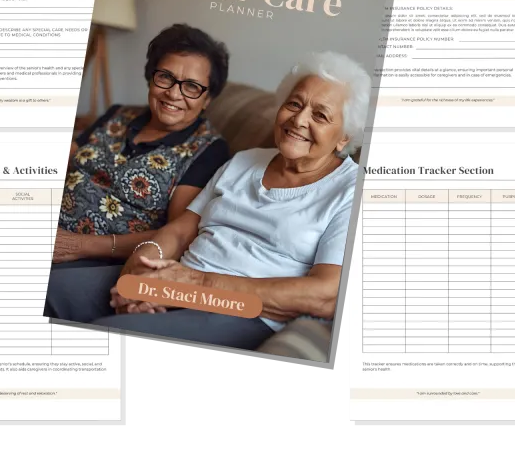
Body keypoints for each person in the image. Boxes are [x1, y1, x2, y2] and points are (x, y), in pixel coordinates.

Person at [46, 50, 370, 350]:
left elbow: (326, 294)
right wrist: (136, 274)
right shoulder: (245, 160)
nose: (299, 120)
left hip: (242, 310)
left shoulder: (350, 192)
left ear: (344, 137)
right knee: (48, 290)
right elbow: (179, 231)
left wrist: (193, 284)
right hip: (172, 277)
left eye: (321, 115)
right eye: (295, 104)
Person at [53, 24, 231, 268]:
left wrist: (77, 246)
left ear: (207, 99)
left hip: (96, 260)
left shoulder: (208, 151)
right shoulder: (118, 114)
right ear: (151, 78)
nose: (173, 93)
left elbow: (175, 235)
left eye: (191, 86)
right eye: (166, 77)